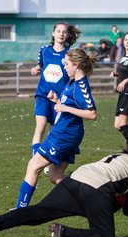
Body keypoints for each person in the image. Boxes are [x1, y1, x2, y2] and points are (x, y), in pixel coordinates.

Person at [0, 135, 128, 237]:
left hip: (75, 179)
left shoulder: (116, 156)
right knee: (104, 236)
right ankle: (63, 233)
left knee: (38, 212)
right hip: (96, 189)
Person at [15, 48, 97, 209]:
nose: (64, 67)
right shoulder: (72, 82)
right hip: (64, 132)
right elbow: (68, 104)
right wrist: (58, 101)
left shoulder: (81, 86)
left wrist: (66, 109)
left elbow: (92, 114)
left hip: (65, 135)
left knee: (33, 166)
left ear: (77, 64)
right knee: (55, 176)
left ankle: (20, 210)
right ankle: (91, 196)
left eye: (66, 64)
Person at [30, 22, 81, 157]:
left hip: (59, 99)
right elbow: (39, 67)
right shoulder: (44, 50)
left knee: (53, 132)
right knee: (40, 126)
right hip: (42, 95)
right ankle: (36, 157)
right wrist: (34, 70)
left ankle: (48, 157)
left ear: (68, 35)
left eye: (64, 32)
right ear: (53, 33)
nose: (61, 34)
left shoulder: (69, 54)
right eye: (58, 31)